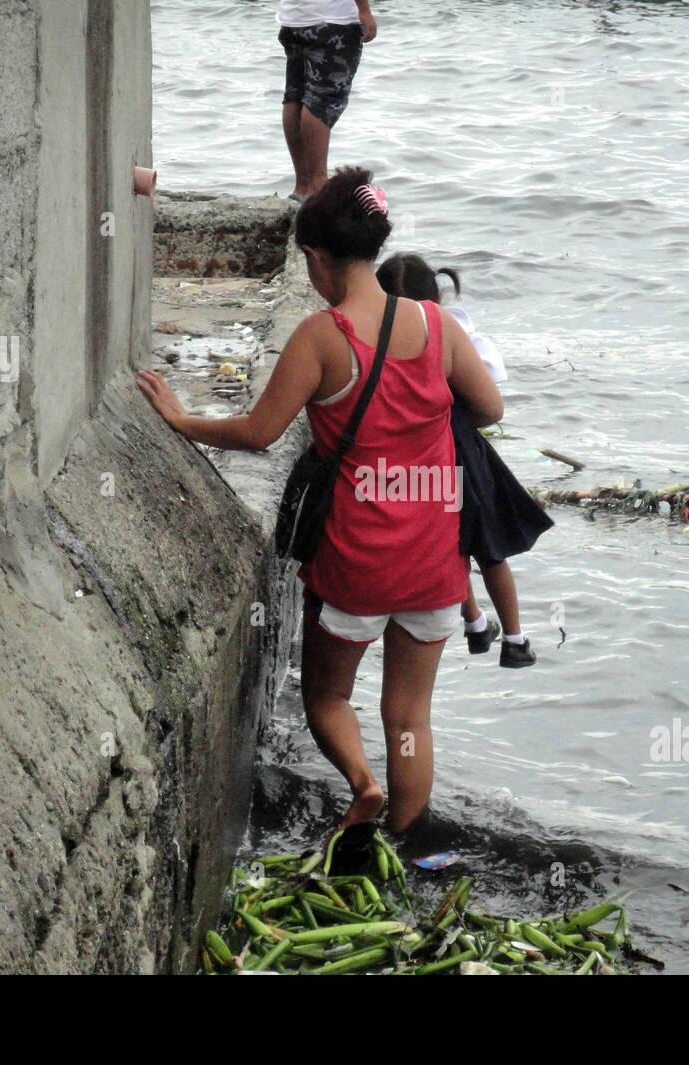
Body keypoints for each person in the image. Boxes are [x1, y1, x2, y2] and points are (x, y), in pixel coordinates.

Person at [137, 168, 503, 835]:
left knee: (328, 694)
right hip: (434, 555)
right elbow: (489, 407)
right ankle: (406, 845)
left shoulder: (323, 339)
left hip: (359, 558)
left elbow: (258, 432)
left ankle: (362, 785)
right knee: (411, 716)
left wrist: (182, 419)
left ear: (315, 257)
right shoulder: (435, 323)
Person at [376, 253, 553, 668]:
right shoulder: (452, 331)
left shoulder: (383, 338)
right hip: (462, 446)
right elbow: (490, 401)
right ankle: (515, 638)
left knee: (453, 541)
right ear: (436, 294)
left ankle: (475, 623)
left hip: (421, 450)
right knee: (489, 546)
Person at [277, 1, 378, 200]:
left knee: (295, 97)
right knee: (321, 101)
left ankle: (303, 185)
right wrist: (365, 10)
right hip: (332, 20)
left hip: (293, 20)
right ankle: (319, 183)